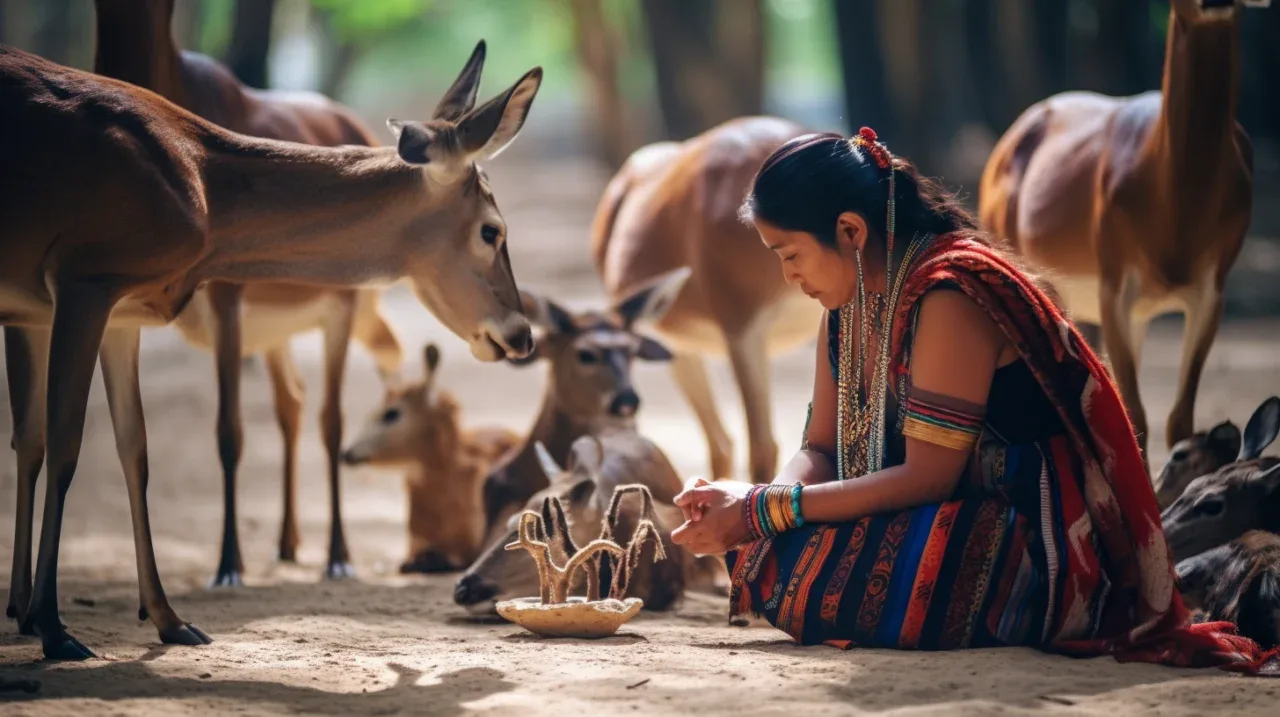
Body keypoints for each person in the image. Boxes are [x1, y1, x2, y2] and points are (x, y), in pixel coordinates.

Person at [669, 127, 1278, 673]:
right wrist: (756, 500)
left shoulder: (949, 294)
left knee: (844, 570)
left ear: (850, 232)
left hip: (1026, 534)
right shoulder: (846, 305)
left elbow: (930, 477)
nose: (788, 278)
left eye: (791, 256)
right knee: (767, 550)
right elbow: (822, 448)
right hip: (926, 510)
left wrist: (764, 510)